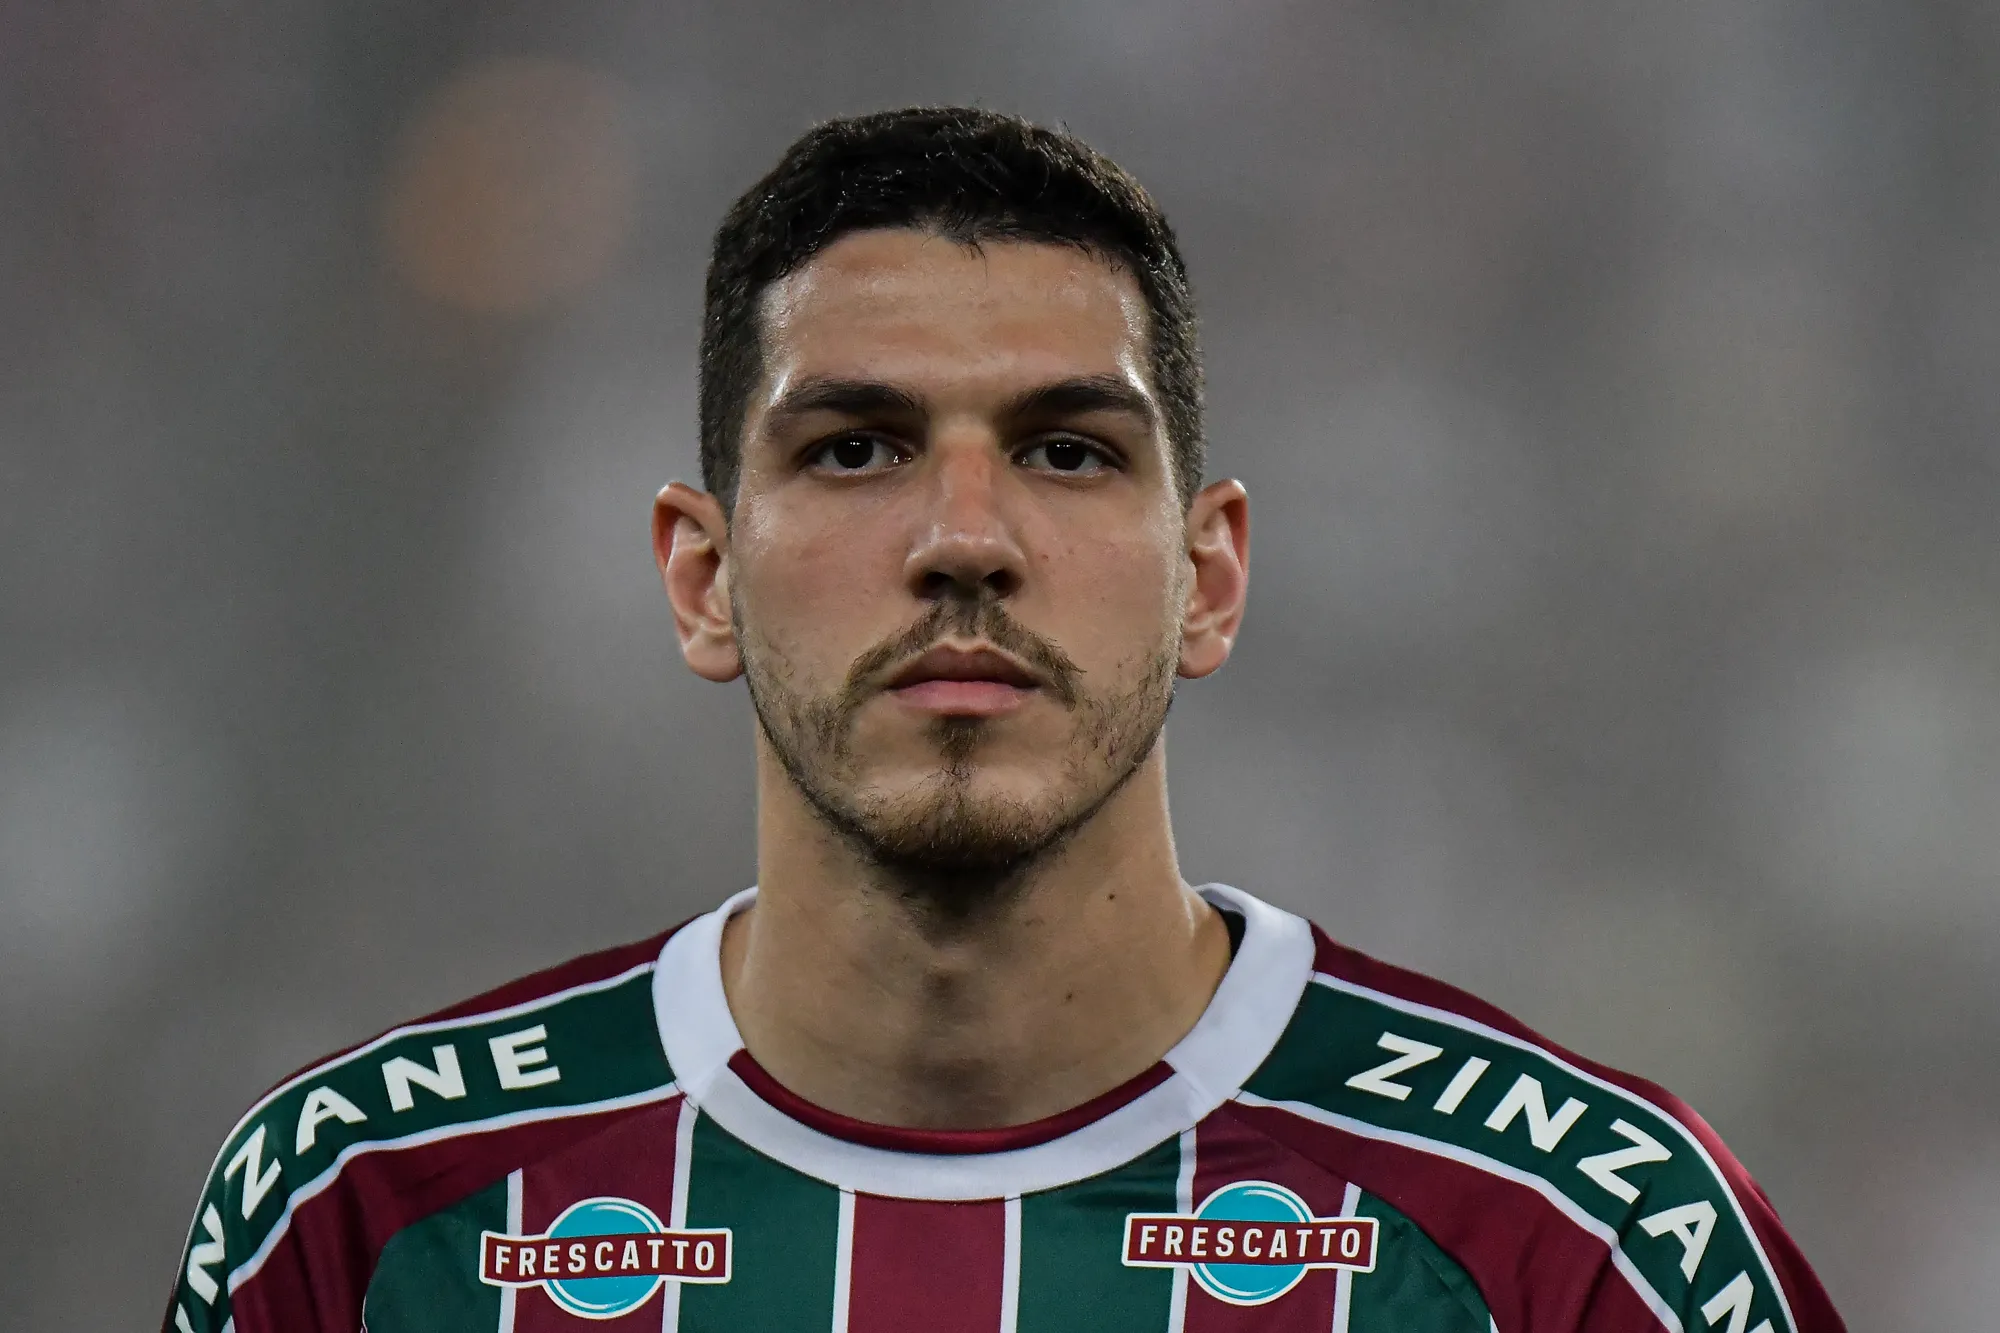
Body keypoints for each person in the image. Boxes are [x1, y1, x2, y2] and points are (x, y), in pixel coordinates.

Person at [162, 106, 1845, 1333]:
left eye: (1066, 451)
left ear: (1208, 577)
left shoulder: (1574, 1235)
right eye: (853, 449)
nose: (964, 538)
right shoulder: (366, 1216)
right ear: (702, 577)